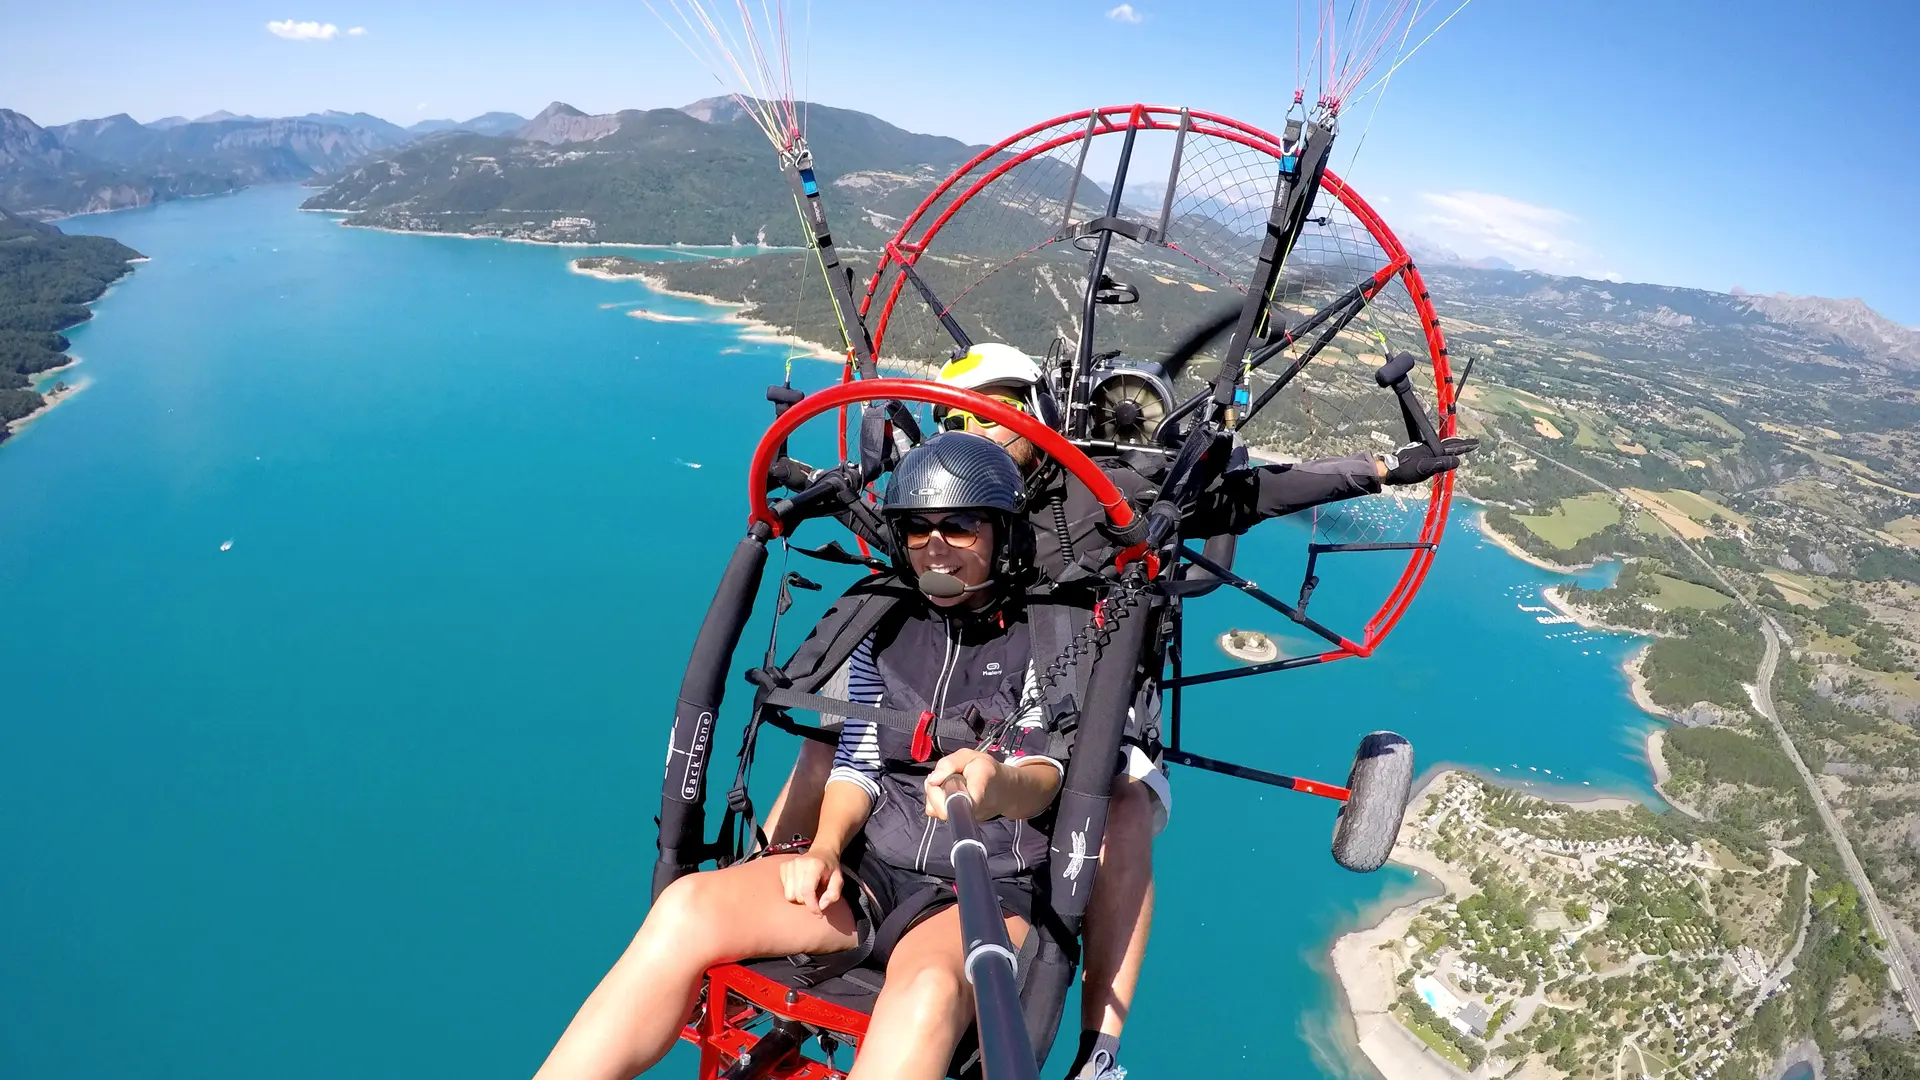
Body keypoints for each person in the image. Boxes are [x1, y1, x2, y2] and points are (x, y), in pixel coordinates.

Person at [767, 342, 1476, 1079]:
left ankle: (1098, 1047)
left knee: (1122, 806)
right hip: (970, 680)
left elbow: (1247, 494)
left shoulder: (1105, 490)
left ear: (1036, 414)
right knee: (831, 736)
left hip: (1080, 682)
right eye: (956, 419)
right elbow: (884, 524)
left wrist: (1380, 469)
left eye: (1000, 414)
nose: (975, 434)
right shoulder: (946, 498)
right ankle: (784, 880)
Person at [532, 434, 1067, 1080]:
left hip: (991, 886)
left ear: (1001, 534)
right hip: (875, 871)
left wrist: (994, 786)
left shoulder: (1048, 636)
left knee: (925, 993)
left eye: (959, 525)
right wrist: (822, 848)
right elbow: (857, 765)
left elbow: (1048, 774)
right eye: (919, 528)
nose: (936, 545)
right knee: (687, 910)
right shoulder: (886, 628)